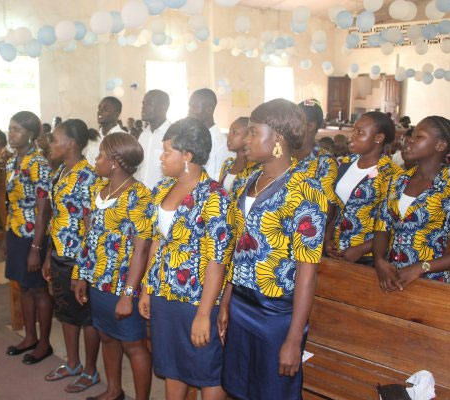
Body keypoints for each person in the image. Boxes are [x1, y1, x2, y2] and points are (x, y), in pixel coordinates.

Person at [220, 98, 328, 400]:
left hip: (276, 312)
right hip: (240, 303)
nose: (246, 140)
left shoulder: (305, 190)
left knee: (273, 392)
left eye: (254, 132)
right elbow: (237, 249)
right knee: (239, 388)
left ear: (278, 138)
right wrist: (226, 301)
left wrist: (293, 339)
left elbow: (307, 270)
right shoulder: (248, 181)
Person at [139, 117, 235, 400]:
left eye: (167, 151)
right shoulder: (162, 189)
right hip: (163, 292)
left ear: (187, 156)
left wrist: (204, 315)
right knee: (171, 363)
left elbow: (217, 261)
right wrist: (147, 289)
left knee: (206, 368)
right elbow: (156, 242)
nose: (161, 157)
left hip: (197, 298)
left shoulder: (215, 197)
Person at [74, 132, 153, 400]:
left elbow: (142, 249)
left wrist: (128, 295)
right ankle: (113, 390)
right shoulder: (99, 189)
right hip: (98, 281)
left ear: (115, 163)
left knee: (133, 344)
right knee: (107, 336)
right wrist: (81, 275)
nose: (96, 160)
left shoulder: (138, 195)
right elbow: (88, 237)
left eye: (100, 155)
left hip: (123, 284)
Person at [42, 119, 101, 394]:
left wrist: (84, 268)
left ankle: (90, 370)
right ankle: (73, 363)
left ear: (72, 144)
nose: (51, 144)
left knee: (86, 316)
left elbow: (90, 225)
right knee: (65, 310)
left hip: (78, 257)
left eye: (56, 140)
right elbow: (56, 218)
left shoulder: (87, 176)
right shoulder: (60, 172)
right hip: (59, 252)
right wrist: (48, 255)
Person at [373, 116, 450, 290]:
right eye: (411, 135)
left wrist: (421, 267)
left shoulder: (448, 186)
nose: (409, 140)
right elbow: (382, 227)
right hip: (392, 277)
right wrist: (379, 260)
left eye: (419, 137)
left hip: (432, 282)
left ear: (440, 145)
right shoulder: (396, 181)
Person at [3, 111, 54, 364]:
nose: (11, 134)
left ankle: (44, 343)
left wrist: (36, 247)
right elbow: (10, 202)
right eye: (10, 128)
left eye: (17, 129)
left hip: (34, 234)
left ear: (31, 134)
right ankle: (30, 337)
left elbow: (44, 209)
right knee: (23, 286)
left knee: (38, 289)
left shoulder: (38, 163)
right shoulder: (11, 162)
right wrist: (6, 237)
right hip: (15, 231)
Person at [325, 112, 401, 265]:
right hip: (336, 248)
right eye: (353, 130)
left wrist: (360, 250)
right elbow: (338, 207)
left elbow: (393, 224)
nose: (352, 137)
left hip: (367, 256)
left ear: (378, 138)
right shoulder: (346, 163)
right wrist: (327, 238)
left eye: (360, 132)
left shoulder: (391, 174)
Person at [294, 100, 339, 214]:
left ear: (310, 126)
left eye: (293, 121)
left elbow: (327, 208)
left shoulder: (325, 162)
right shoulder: (283, 152)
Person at [188, 88, 232, 181]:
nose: (190, 111)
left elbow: (217, 179)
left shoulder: (220, 143)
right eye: (190, 106)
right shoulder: (193, 136)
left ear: (209, 110)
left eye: (195, 107)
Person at [135, 90, 171, 189]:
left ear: (163, 107)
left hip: (163, 195)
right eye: (143, 103)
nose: (143, 107)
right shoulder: (143, 135)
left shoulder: (172, 134)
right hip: (141, 194)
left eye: (149, 103)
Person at [219, 117, 256, 194]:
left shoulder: (255, 167)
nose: (228, 136)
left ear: (248, 136)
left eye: (234, 132)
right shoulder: (228, 163)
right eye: (229, 132)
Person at [85, 97, 126, 166]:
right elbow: (88, 163)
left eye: (106, 109)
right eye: (99, 108)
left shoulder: (124, 138)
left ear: (117, 114)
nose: (100, 111)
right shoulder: (94, 138)